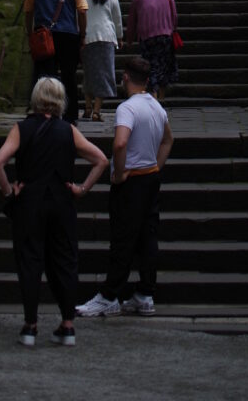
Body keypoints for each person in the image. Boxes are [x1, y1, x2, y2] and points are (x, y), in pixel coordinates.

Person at [0, 77, 108, 348]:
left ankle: (30, 325)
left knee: (29, 261)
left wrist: (9, 191)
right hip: (61, 202)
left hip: (29, 203)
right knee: (65, 260)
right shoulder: (68, 130)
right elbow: (101, 160)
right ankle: (67, 324)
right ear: (60, 100)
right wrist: (82, 189)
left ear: (35, 98)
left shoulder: (22, 129)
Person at [75, 57, 173, 318]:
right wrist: (156, 166)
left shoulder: (127, 109)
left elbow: (120, 143)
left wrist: (119, 174)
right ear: (147, 80)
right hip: (150, 177)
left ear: (126, 77)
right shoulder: (156, 107)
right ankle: (145, 292)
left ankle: (110, 295)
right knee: (147, 237)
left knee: (122, 238)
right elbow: (168, 139)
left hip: (131, 181)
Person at [24, 0, 87, 123]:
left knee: (44, 76)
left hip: (43, 35)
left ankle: (44, 114)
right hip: (68, 35)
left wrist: (30, 33)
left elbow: (28, 10)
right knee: (69, 76)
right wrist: (82, 35)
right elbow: (82, 10)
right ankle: (70, 116)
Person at [125, 0, 179, 102]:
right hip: (165, 36)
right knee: (163, 66)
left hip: (147, 37)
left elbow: (132, 20)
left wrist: (129, 39)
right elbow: (174, 15)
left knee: (150, 68)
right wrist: (172, 28)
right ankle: (161, 97)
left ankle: (154, 97)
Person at [81, 0, 123, 119]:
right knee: (104, 74)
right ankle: (97, 111)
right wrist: (120, 36)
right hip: (107, 38)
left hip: (87, 38)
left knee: (88, 73)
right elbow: (117, 18)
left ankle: (87, 107)